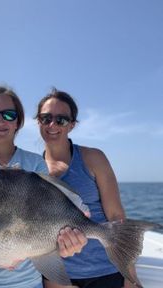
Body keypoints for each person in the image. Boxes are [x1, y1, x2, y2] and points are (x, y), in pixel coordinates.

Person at [0, 85, 87, 288]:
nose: (0, 120)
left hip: (25, 283)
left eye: (9, 115)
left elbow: (47, 221)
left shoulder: (35, 164)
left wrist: (64, 245)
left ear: (18, 121)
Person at [35, 88, 141, 288]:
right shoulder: (32, 169)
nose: (52, 125)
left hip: (106, 271)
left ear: (72, 125)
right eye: (46, 118)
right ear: (38, 121)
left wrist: (130, 277)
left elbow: (117, 217)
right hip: (58, 277)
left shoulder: (94, 158)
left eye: (61, 120)